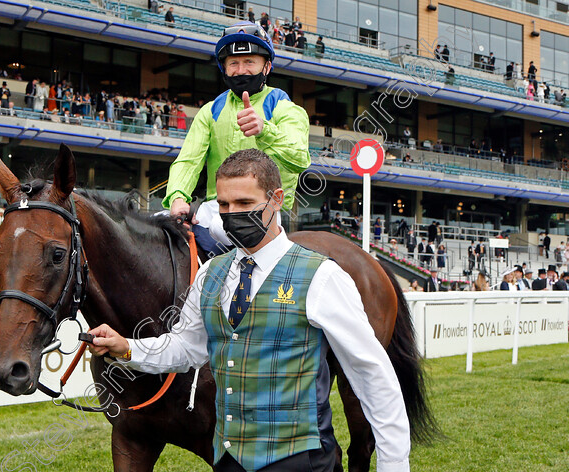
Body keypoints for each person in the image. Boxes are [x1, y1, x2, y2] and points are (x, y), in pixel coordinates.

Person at [88, 150, 410, 472]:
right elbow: (186, 346)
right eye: (224, 205)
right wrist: (128, 347)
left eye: (244, 203)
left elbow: (372, 375)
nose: (232, 214)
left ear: (276, 199)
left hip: (302, 462)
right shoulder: (211, 272)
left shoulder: (323, 277)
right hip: (229, 461)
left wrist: (394, 464)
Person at [165, 22, 310, 254]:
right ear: (224, 68)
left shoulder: (286, 108)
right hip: (216, 206)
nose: (240, 70)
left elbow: (300, 159)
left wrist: (265, 131)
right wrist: (177, 197)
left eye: (249, 61)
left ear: (267, 66)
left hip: (261, 209)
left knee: (219, 229)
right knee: (155, 224)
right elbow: (188, 160)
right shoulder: (210, 111)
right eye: (233, 63)